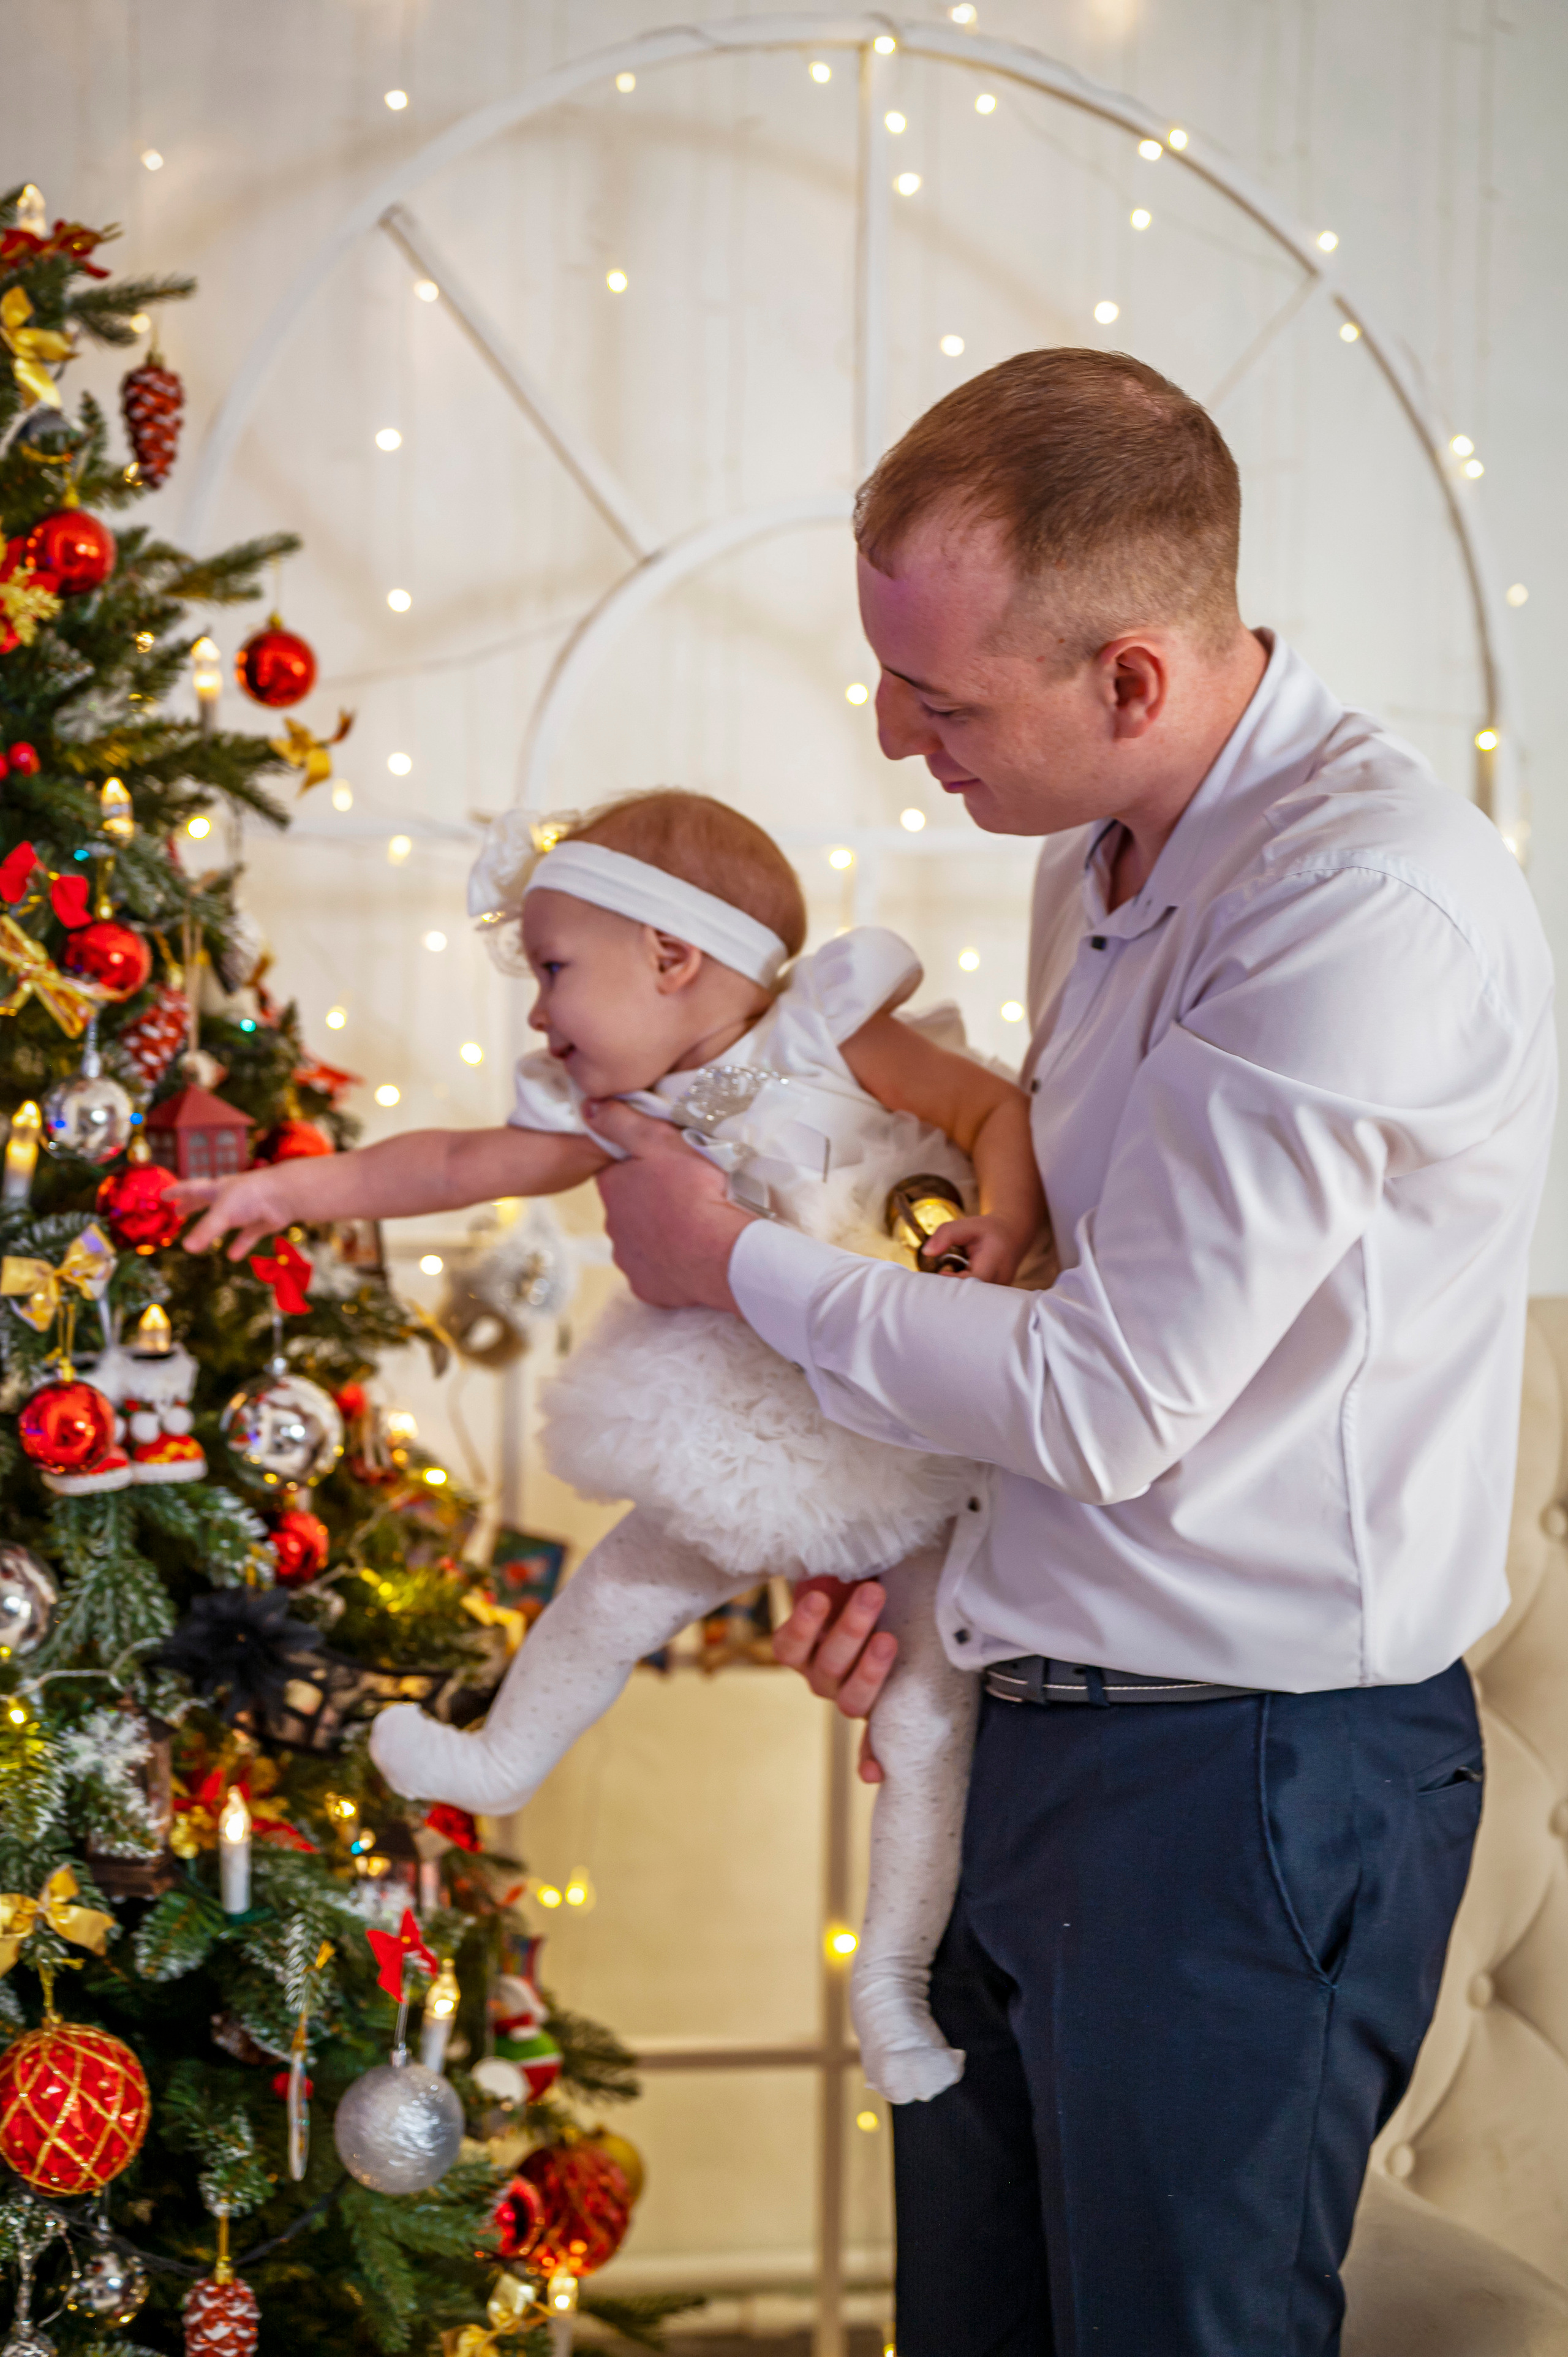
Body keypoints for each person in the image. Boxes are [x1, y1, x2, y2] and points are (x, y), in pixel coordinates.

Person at [579, 350, 1557, 2356]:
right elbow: (1108, 1285)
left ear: (1129, 676)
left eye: (940, 699)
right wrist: (937, 1582)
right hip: (1050, 1727)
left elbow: (1117, 1398)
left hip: (1250, 1774)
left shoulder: (1354, 902)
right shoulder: (1089, 855)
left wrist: (741, 1262)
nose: (892, 733)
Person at [174, 785, 1048, 2106]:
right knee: (617, 1591)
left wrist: (1001, 1223)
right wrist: (286, 1189)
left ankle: (891, 1982)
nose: (534, 1011)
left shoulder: (834, 1030)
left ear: (671, 955)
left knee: (929, 1718)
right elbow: (457, 1161)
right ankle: (504, 1750)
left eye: (551, 968)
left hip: (913, 1424)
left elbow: (995, 1114)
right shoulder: (615, 1115)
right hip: (748, 1424)